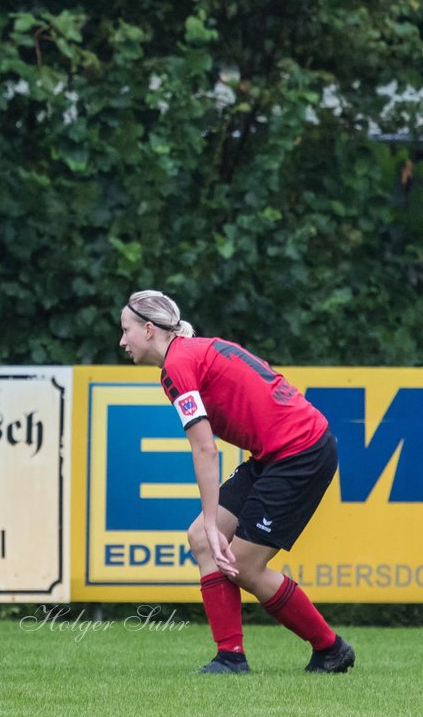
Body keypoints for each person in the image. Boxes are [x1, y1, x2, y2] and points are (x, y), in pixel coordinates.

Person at [119, 289, 354, 674]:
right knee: (201, 539)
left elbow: (205, 450)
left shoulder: (178, 365)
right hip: (276, 453)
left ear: (148, 330)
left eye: (126, 330)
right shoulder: (190, 353)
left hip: (300, 452)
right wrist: (209, 526)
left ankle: (331, 648)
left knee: (243, 564)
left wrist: (215, 522)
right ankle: (230, 657)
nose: (122, 341)